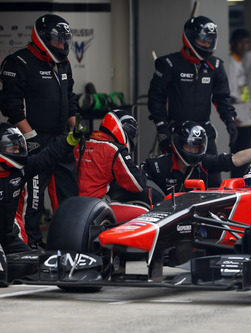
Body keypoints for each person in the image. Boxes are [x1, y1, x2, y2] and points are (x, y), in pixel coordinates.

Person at [0, 14, 79, 248]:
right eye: (57, 40)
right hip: (33, 140)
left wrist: (75, 128)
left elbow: (70, 97)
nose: (62, 45)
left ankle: (68, 242)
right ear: (42, 37)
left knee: (68, 194)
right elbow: (9, 104)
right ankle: (31, 244)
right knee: (33, 197)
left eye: (65, 40)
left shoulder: (64, 64)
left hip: (62, 139)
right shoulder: (18, 62)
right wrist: (29, 135)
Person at [147, 16, 237, 188]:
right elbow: (156, 99)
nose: (206, 44)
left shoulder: (216, 66)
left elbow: (222, 98)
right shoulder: (169, 64)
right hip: (176, 135)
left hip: (204, 134)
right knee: (175, 185)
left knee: (212, 184)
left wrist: (230, 121)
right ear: (189, 37)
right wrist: (162, 128)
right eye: (202, 39)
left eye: (210, 40)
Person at [0, 123, 79, 286]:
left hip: (7, 235)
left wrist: (70, 140)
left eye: (19, 146)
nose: (18, 151)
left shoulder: (21, 169)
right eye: (12, 148)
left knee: (35, 265)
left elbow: (47, 157)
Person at [142, 120, 251, 193]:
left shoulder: (203, 162)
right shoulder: (157, 165)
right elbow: (137, 179)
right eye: (189, 146)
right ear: (179, 144)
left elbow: (235, 159)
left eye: (197, 147)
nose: (193, 151)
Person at [74, 111, 149, 222]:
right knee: (145, 213)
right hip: (94, 208)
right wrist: (142, 170)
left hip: (71, 207)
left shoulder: (79, 144)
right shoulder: (114, 149)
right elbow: (137, 184)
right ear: (124, 129)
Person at [227, 28, 251, 178]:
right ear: (233, 44)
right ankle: (237, 181)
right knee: (239, 152)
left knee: (247, 151)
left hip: (246, 112)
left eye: (246, 43)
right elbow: (230, 93)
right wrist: (232, 116)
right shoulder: (232, 62)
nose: (244, 46)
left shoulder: (243, 61)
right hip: (238, 113)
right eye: (241, 43)